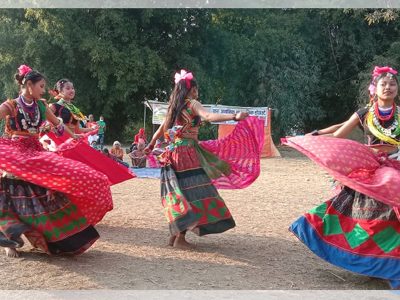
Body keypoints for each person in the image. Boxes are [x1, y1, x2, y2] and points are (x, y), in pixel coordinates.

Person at [286, 66, 400, 289]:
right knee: (365, 220)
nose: (388, 87)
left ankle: (390, 267)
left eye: (393, 84)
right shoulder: (364, 113)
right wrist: (318, 137)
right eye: (383, 84)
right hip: (372, 169)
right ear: (374, 89)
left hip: (397, 165)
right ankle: (368, 262)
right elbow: (339, 134)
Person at [0, 65, 113, 257]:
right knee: (11, 199)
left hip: (36, 154)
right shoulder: (10, 105)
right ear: (29, 85)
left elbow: (58, 124)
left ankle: (58, 240)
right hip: (16, 157)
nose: (44, 90)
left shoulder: (41, 106)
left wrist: (74, 136)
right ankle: (9, 243)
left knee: (81, 179)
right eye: (41, 86)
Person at [145, 69, 264, 250]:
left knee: (179, 191)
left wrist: (151, 144)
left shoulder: (174, 108)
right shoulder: (192, 104)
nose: (196, 92)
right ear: (191, 89)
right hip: (186, 153)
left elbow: (161, 129)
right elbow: (208, 116)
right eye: (195, 88)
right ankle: (180, 239)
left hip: (171, 153)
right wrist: (234, 116)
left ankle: (175, 235)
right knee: (193, 191)